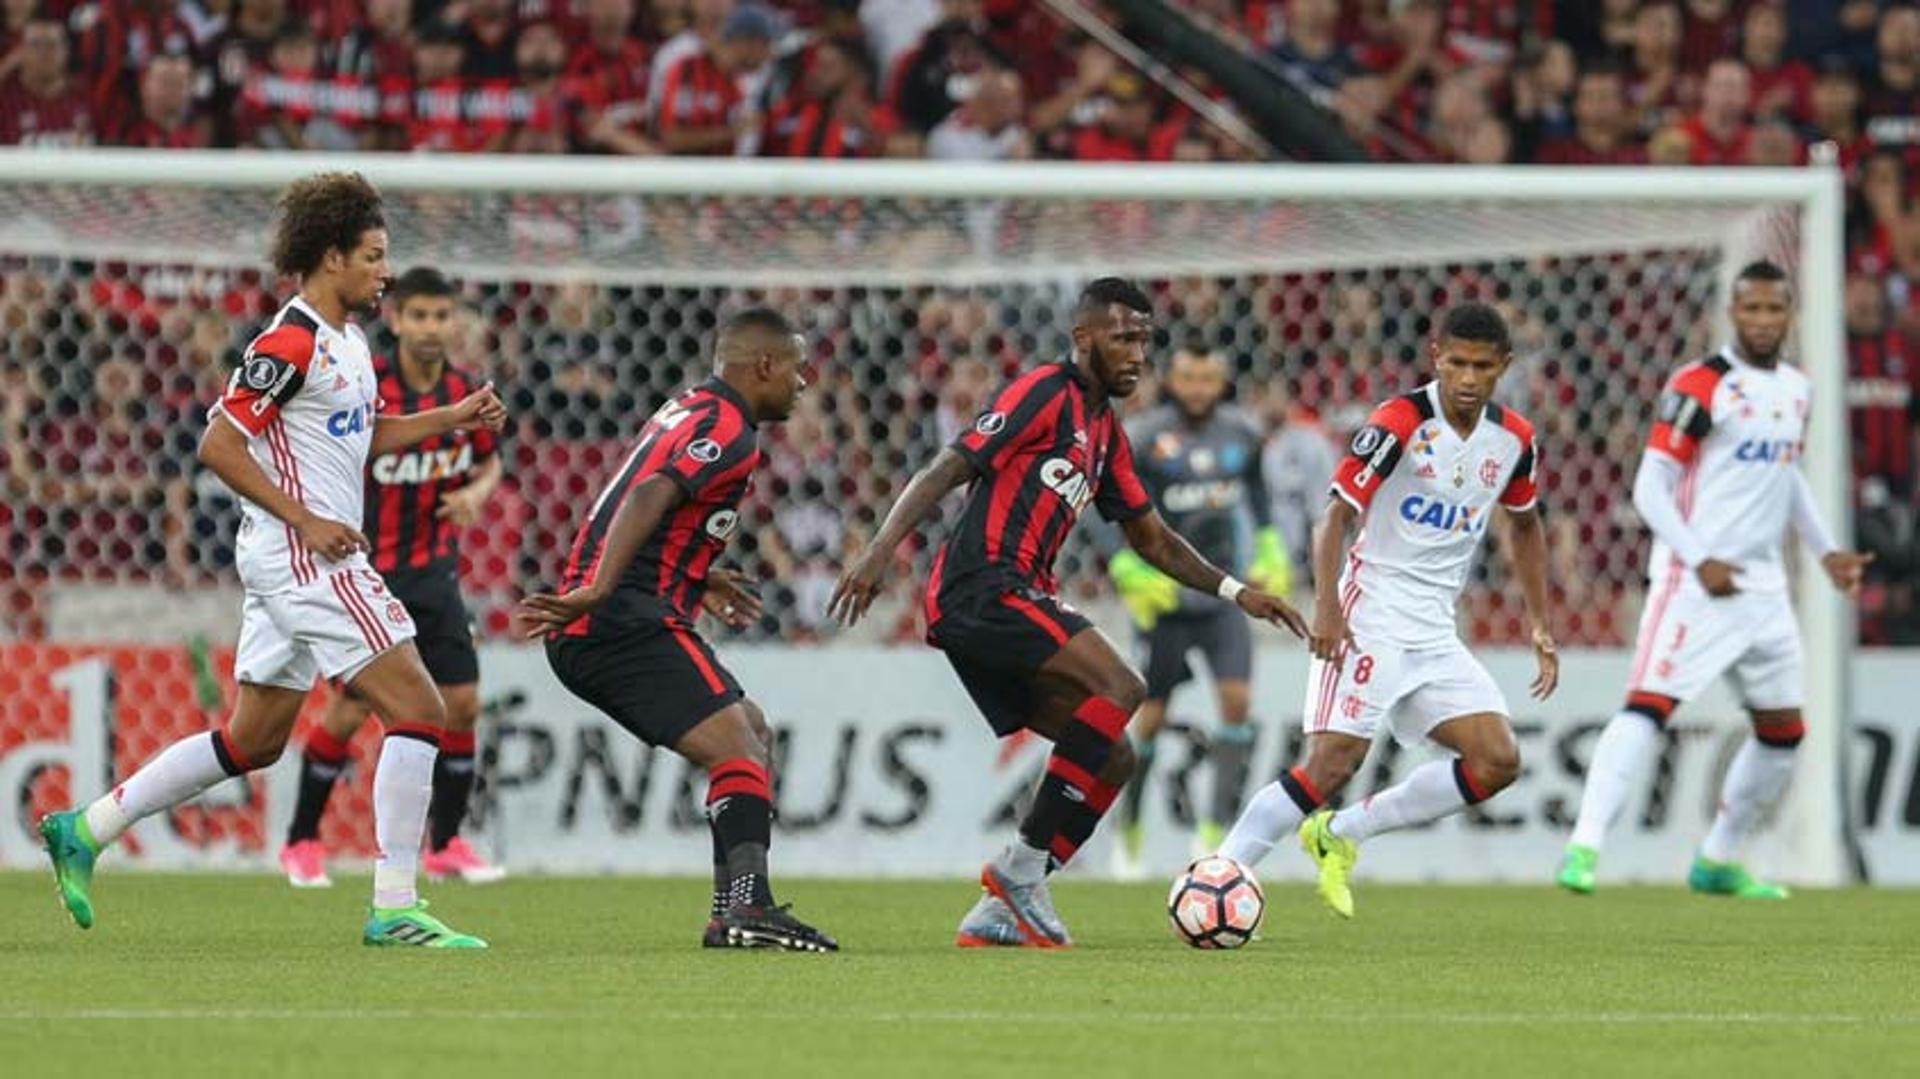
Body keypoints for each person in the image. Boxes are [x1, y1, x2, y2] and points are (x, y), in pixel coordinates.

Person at [40, 172, 506, 948]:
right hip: (305, 555)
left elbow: (360, 438)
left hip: (286, 557)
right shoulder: (288, 340)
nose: (384, 272)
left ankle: (86, 827)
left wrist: (449, 418)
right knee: (422, 709)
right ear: (330, 257)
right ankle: (395, 903)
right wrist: (309, 519)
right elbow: (219, 443)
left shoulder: (349, 343)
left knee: (253, 739)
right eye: (374, 256)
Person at [830, 278, 1305, 949]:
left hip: (1016, 598)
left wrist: (1237, 591)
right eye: (1122, 337)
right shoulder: (1044, 392)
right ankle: (1020, 872)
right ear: (1083, 339)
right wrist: (882, 549)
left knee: (1114, 755)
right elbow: (949, 464)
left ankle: (1001, 910)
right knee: (1126, 685)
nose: (1138, 353)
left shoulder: (1106, 432)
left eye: (1144, 338)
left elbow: (1153, 538)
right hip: (982, 586)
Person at [1214, 302, 1558, 919]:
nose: (1468, 378)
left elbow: (1525, 526)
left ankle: (1342, 833)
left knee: (1497, 760)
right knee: (1331, 763)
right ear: (1436, 358)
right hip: (1369, 610)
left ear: (1504, 366)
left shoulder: (1514, 441)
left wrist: (1539, 622)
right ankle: (1219, 875)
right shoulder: (1399, 421)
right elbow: (1336, 515)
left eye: (1482, 366)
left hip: (1432, 628)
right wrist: (1326, 607)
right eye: (1456, 363)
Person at [518, 308, 838, 953]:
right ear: (765, 365)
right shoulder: (728, 430)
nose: (804, 383)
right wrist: (600, 589)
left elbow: (643, 497)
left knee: (749, 727)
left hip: (626, 609)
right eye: (798, 368)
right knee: (737, 749)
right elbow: (645, 497)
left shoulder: (691, 406)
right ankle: (749, 908)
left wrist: (697, 574)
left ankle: (734, 910)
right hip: (618, 620)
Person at [1557, 261, 1872, 899]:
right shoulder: (1701, 386)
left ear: (1789, 315)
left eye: (1773, 309)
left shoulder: (1796, 388)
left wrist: (1826, 551)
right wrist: (1700, 558)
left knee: (1784, 733)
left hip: (1763, 590)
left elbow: (1786, 478)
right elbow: (1650, 487)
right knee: (1648, 707)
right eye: (1750, 309)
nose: (1761, 320)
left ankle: (1717, 860)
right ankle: (1584, 847)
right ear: (1733, 312)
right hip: (1692, 583)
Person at [279, 266, 505, 888]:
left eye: (442, 315)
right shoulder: (368, 386)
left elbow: (490, 461)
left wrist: (476, 497)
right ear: (397, 320)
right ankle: (301, 841)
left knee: (461, 704)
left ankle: (447, 844)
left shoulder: (462, 389)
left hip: (435, 572)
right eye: (420, 315)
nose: (432, 327)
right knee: (351, 712)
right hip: (371, 571)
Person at [1106, 342, 1289, 876]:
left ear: (1223, 379)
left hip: (1224, 592)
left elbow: (1258, 500)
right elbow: (1110, 507)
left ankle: (1214, 836)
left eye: (1208, 379)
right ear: (1171, 378)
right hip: (1164, 596)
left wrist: (1271, 548)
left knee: (1236, 704)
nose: (1198, 389)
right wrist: (1128, 567)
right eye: (1189, 378)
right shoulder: (1144, 438)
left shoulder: (1243, 434)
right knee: (1152, 718)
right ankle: (1131, 828)